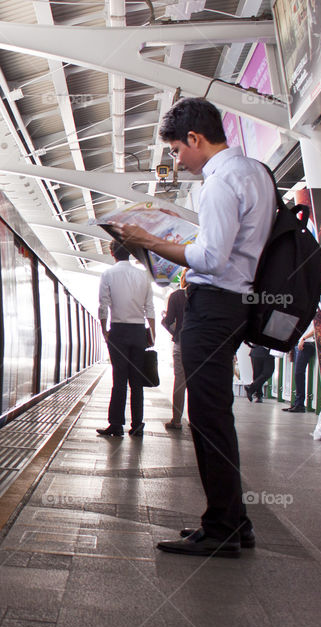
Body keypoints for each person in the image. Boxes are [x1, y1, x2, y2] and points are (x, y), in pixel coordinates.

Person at [111, 97, 275, 558]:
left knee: (208, 419)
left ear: (196, 139)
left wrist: (150, 240)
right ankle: (234, 521)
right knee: (215, 416)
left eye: (178, 151)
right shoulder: (256, 172)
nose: (177, 162)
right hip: (235, 304)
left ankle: (222, 528)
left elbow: (210, 258)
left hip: (215, 307)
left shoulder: (221, 182)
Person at [96, 241, 156, 438]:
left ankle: (116, 425)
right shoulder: (143, 275)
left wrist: (105, 330)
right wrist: (152, 334)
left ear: (112, 253)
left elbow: (103, 305)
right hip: (139, 331)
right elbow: (150, 308)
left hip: (119, 331)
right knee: (136, 381)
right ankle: (137, 425)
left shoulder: (108, 274)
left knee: (119, 380)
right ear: (130, 253)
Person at [161, 269, 188, 429]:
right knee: (197, 382)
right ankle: (197, 422)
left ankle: (176, 420)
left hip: (181, 343)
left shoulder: (177, 296)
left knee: (180, 381)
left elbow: (168, 321)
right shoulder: (206, 296)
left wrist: (175, 331)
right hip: (201, 345)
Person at [284, 324, 316, 412]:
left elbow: (316, 328)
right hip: (301, 342)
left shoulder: (317, 312)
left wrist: (304, 338)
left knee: (299, 373)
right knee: (297, 374)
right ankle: (297, 403)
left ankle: (300, 404)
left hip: (307, 343)